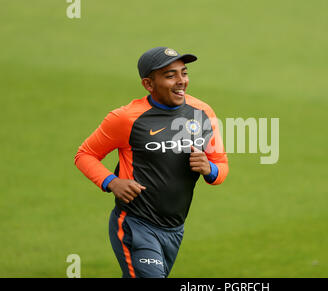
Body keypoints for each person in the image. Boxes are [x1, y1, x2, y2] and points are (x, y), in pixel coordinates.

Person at [74, 47, 229, 278]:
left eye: (184, 73)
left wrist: (210, 169)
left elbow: (221, 166)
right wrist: (111, 182)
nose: (181, 82)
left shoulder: (202, 113)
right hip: (136, 224)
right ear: (148, 84)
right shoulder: (125, 118)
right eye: (170, 76)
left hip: (175, 229)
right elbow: (85, 154)